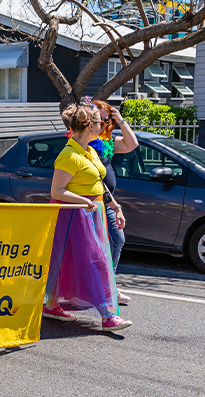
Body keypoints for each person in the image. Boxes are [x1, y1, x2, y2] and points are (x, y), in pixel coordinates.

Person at [43, 103, 132, 332]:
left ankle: (51, 304)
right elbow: (57, 192)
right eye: (99, 122)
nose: (103, 126)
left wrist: (116, 207)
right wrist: (84, 201)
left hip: (91, 211)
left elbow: (99, 183)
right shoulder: (69, 155)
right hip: (75, 216)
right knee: (95, 262)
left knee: (68, 262)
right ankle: (107, 315)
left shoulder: (90, 151)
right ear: (89, 126)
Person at [89, 100, 136, 305]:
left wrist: (121, 120)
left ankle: (109, 286)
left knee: (116, 240)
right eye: (98, 120)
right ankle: (103, 288)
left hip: (106, 201)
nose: (103, 124)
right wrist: (116, 206)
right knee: (96, 246)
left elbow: (132, 144)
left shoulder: (107, 141)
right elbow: (97, 180)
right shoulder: (87, 143)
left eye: (106, 120)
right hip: (93, 201)